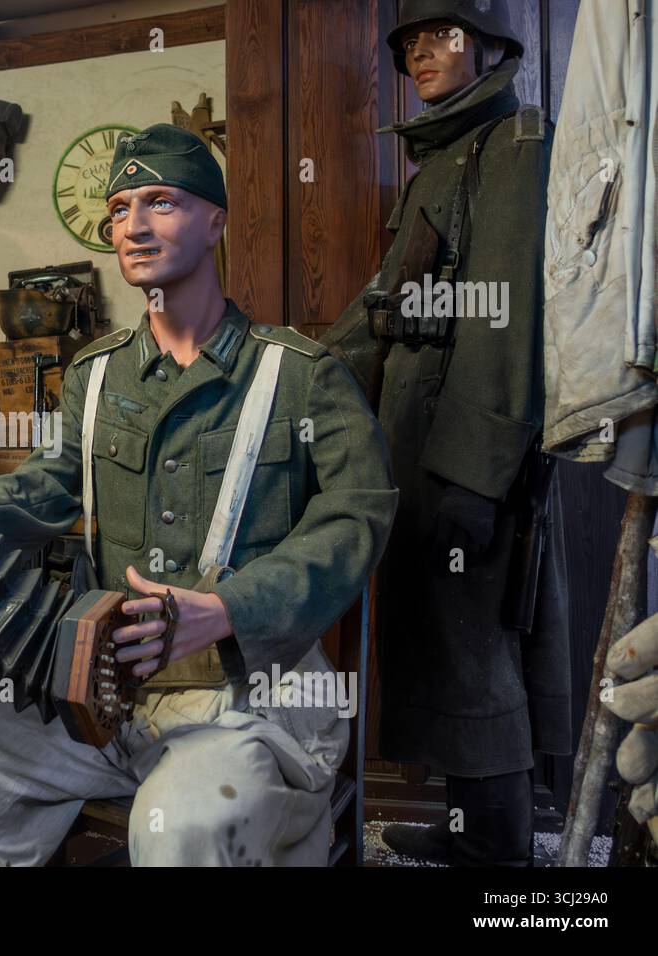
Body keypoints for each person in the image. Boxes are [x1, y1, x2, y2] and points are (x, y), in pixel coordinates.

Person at [0, 123, 398, 866]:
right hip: (102, 702)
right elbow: (50, 483)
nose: (133, 226)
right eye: (118, 208)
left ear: (216, 220)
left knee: (178, 824)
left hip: (246, 703)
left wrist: (230, 610)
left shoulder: (301, 373)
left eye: (161, 202)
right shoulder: (97, 372)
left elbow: (358, 514)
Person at [323, 0, 571, 866]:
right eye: (413, 42)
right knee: (441, 634)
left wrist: (474, 475)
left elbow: (507, 323)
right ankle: (473, 830)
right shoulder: (447, 154)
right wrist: (298, 372)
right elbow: (385, 306)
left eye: (443, 36)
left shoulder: (513, 145)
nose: (422, 53)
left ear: (493, 46)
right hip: (417, 437)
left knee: (474, 647)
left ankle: (500, 854)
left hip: (460, 445)